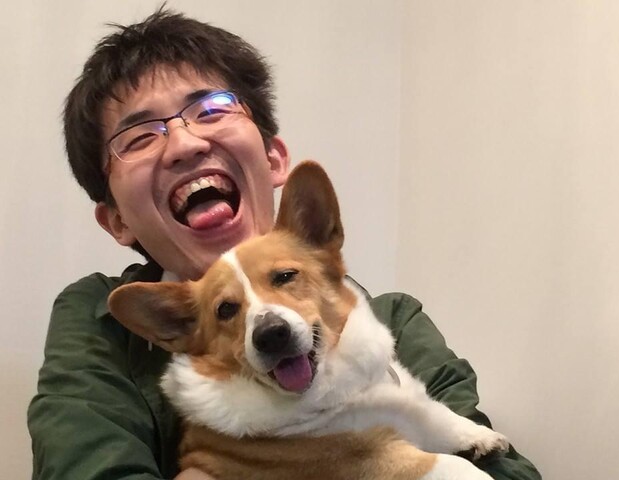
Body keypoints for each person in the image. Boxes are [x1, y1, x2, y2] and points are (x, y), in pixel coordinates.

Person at [27, 7, 541, 480]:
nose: (184, 144)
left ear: (273, 159)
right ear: (117, 221)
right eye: (140, 137)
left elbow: (504, 469)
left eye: (211, 108)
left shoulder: (397, 319)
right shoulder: (98, 323)